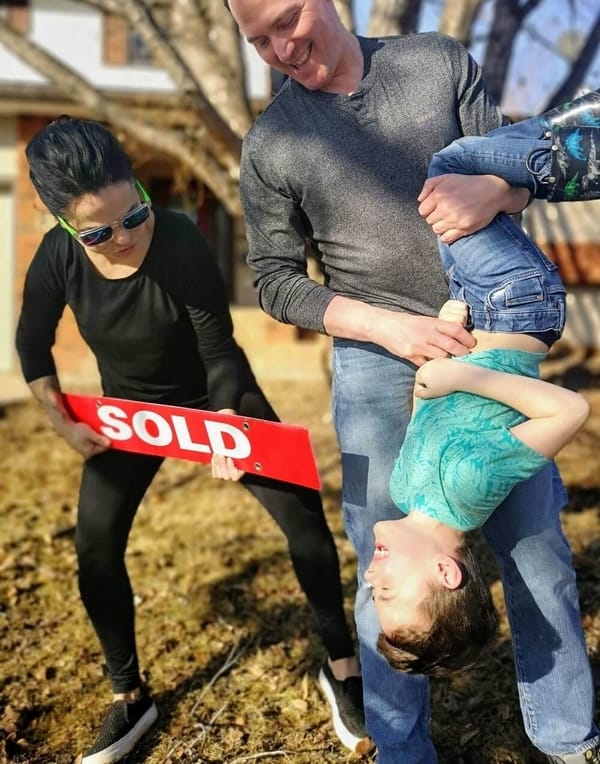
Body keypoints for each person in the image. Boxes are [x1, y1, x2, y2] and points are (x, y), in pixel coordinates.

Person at [224, 0, 600, 761]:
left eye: (286, 20)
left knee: (535, 548)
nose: (278, 47)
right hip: (374, 352)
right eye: (257, 38)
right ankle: (401, 749)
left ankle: (567, 739)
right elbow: (272, 279)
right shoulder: (273, 141)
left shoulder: (435, 63)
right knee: (380, 563)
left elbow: (514, 169)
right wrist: (388, 328)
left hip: (483, 335)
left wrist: (501, 192)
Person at [15, 116, 370, 764]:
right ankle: (129, 697)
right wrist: (60, 417)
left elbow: (221, 353)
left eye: (134, 214)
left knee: (306, 524)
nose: (124, 238)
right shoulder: (56, 258)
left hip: (216, 396)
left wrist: (228, 426)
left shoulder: (178, 239)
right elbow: (31, 344)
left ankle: (342, 667)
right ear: (65, 227)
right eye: (98, 231)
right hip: (131, 413)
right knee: (94, 549)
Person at [367, 95, 600, 674]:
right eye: (390, 592)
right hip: (520, 305)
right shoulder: (468, 490)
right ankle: (562, 155)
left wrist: (444, 351)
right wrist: (466, 373)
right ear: (446, 572)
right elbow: (568, 411)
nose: (372, 578)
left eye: (373, 595)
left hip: (476, 311)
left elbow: (433, 404)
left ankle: (542, 166)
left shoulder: (405, 490)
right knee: (452, 168)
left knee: (452, 189)